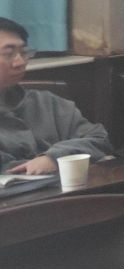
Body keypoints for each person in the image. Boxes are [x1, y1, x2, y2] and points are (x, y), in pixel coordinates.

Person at [0, 17, 113, 175]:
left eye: (24, 52)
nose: (20, 62)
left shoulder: (46, 103)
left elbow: (99, 138)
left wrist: (54, 158)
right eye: (9, 54)